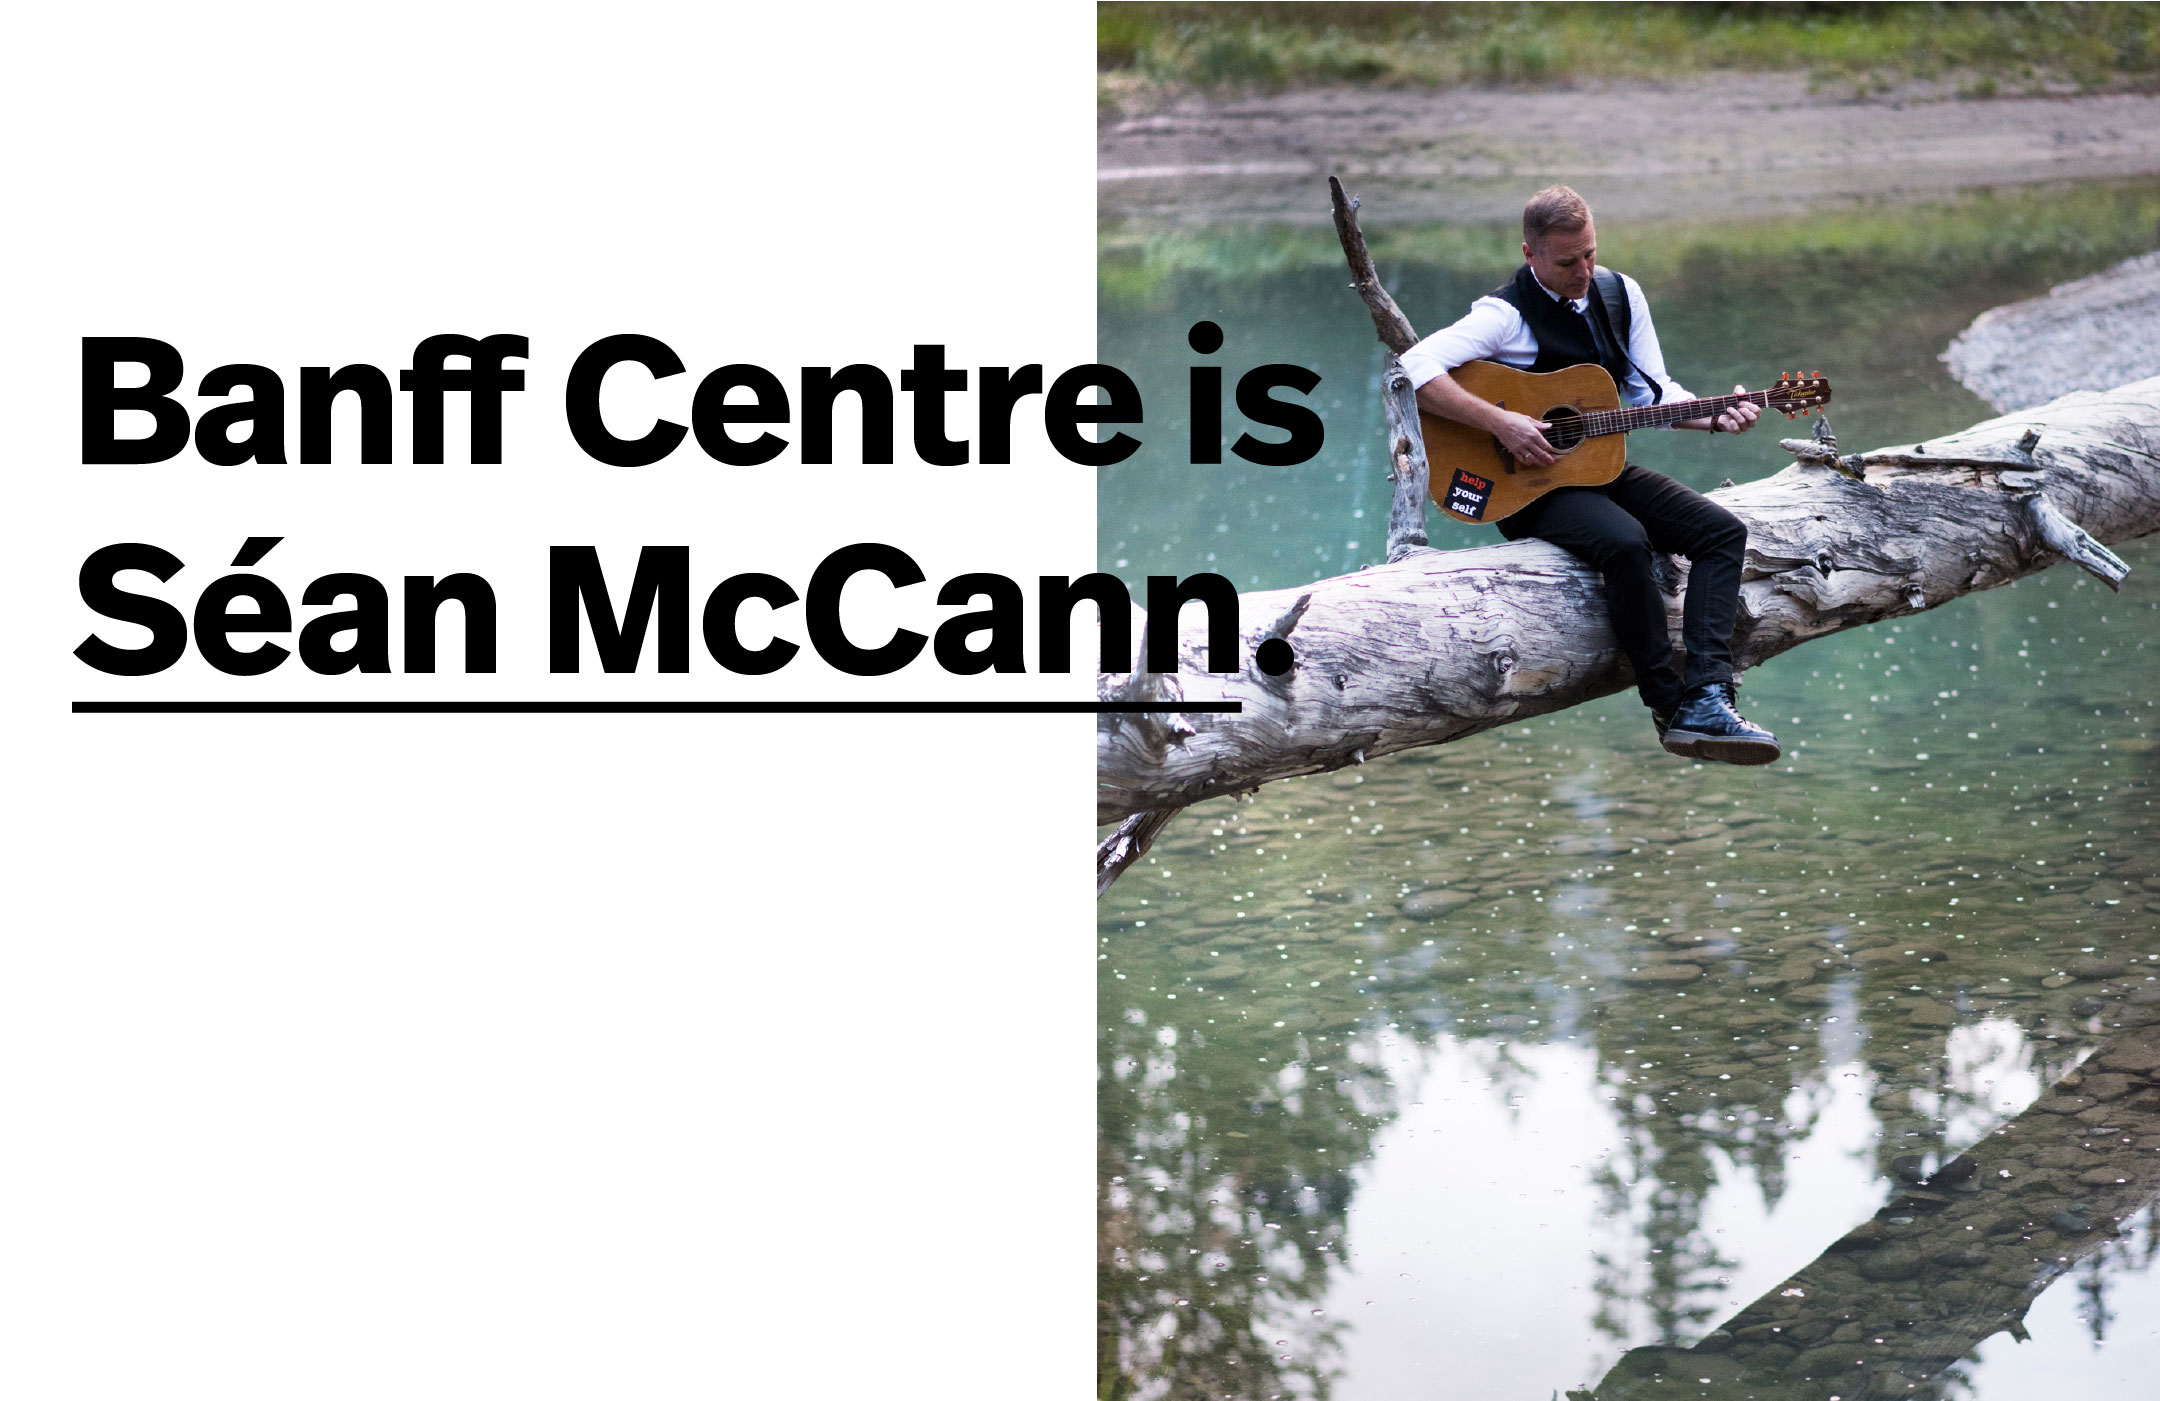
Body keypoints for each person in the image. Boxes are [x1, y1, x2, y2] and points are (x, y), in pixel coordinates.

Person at [1400, 184, 1780, 766]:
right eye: (1567, 261)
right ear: (1531, 255)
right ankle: (1667, 704)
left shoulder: (1620, 295)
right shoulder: (1503, 316)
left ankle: (1709, 694)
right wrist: (1501, 423)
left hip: (1596, 468)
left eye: (1590, 255)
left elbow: (1651, 394)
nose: (1584, 270)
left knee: (1721, 532)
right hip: (1521, 487)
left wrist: (1714, 417)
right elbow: (1412, 368)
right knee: (1625, 542)